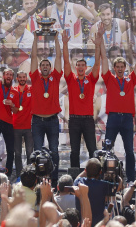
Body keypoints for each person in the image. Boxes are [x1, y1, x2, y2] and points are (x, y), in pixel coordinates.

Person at [101, 24, 136, 182]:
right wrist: (100, 40)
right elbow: (103, 58)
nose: (121, 69)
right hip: (114, 118)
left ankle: (130, 179)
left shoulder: (131, 80)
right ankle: (105, 177)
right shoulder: (109, 79)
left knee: (129, 150)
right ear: (114, 68)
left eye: (123, 66)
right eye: (118, 67)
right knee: (107, 150)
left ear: (125, 68)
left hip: (128, 119)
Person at [62, 28, 100, 168]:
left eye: (83, 65)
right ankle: (75, 174)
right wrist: (65, 44)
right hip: (74, 119)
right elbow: (66, 61)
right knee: (74, 151)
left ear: (86, 67)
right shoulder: (71, 79)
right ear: (75, 67)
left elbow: (97, 63)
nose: (80, 67)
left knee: (92, 149)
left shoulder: (91, 79)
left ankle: (94, 174)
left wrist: (97, 45)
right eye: (78, 65)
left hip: (88, 119)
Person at [29, 30, 62, 187]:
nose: (45, 67)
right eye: (42, 65)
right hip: (37, 121)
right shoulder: (35, 77)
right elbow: (33, 57)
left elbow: (59, 58)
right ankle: (38, 180)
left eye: (47, 65)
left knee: (54, 151)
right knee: (37, 151)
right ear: (39, 68)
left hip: (52, 120)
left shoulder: (55, 77)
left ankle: (54, 180)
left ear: (50, 68)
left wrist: (56, 40)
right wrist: (35, 39)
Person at [74, 158, 121, 226]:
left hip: (82, 223)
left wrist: (87, 170)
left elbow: (76, 179)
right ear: (100, 172)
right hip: (99, 223)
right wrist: (118, 175)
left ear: (85, 170)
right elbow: (119, 187)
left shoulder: (79, 182)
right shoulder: (104, 185)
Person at [0, 68, 19, 178]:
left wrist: (12, 105)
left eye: (11, 75)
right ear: (3, 76)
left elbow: (16, 110)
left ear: (13, 77)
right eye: (7, 74)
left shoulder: (15, 92)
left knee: (10, 149)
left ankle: (8, 173)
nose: (8, 76)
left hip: (8, 122)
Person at [13, 71, 34, 178]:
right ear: (17, 78)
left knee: (30, 152)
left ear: (26, 78)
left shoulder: (31, 89)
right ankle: (19, 176)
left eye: (23, 77)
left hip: (29, 127)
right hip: (15, 126)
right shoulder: (13, 90)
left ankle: (29, 174)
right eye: (20, 77)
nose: (22, 79)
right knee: (17, 154)